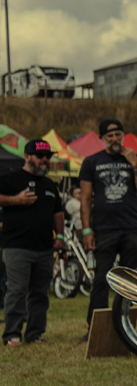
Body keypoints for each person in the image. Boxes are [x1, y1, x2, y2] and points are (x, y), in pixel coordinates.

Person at [79, 119, 137, 338]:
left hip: (131, 227)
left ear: (123, 135)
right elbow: (85, 197)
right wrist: (86, 230)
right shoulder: (91, 162)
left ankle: (127, 328)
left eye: (118, 135)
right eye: (109, 136)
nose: (114, 139)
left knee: (131, 279)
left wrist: (135, 164)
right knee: (101, 278)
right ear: (102, 138)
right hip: (104, 229)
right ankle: (95, 329)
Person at [0, 139, 66, 345]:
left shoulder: (49, 184)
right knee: (17, 291)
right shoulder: (11, 178)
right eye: (40, 156)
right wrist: (15, 200)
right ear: (27, 157)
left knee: (39, 293)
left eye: (48, 156)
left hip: (45, 247)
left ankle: (35, 333)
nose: (45, 160)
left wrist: (61, 236)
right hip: (17, 246)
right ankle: (12, 334)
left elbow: (58, 212)